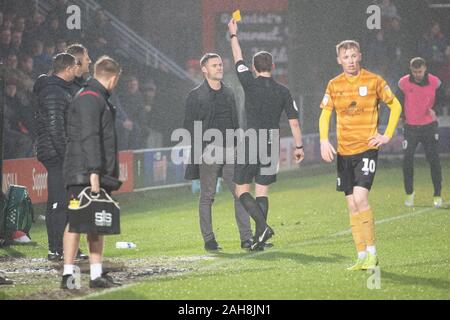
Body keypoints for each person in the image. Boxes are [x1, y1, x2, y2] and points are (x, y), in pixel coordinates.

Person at [319, 40, 402, 271]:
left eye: (354, 56)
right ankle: (361, 255)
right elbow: (325, 115)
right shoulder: (334, 84)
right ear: (339, 60)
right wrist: (324, 140)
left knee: (360, 198)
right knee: (352, 205)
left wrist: (386, 135)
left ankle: (373, 254)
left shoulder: (374, 80)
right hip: (344, 153)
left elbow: (395, 106)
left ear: (360, 56)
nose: (351, 61)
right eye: (346, 57)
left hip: (366, 148)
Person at [228, 19, 305, 251]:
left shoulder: (249, 83)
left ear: (254, 67)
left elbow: (237, 58)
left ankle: (262, 227)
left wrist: (234, 35)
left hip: (252, 139)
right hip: (272, 142)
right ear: (272, 67)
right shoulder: (283, 90)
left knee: (241, 189)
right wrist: (299, 147)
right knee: (262, 190)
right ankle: (260, 239)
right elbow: (294, 122)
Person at [61, 56, 122, 289]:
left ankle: (96, 275)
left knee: (97, 221)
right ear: (114, 78)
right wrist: (95, 171)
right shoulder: (90, 97)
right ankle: (69, 275)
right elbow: (90, 136)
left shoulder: (96, 97)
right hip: (83, 172)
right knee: (76, 221)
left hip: (90, 171)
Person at [183, 53, 253, 251]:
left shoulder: (230, 92)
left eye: (220, 64)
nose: (219, 68)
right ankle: (209, 240)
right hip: (209, 152)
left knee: (240, 193)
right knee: (207, 196)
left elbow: (236, 121)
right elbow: (188, 125)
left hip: (231, 150)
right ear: (204, 70)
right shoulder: (195, 95)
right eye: (214, 65)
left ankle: (246, 238)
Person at [33, 53, 77, 260]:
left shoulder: (57, 90)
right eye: (74, 67)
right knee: (59, 201)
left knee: (64, 201)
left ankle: (64, 245)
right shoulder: (53, 91)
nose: (76, 71)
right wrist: (66, 153)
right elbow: (55, 127)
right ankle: (57, 248)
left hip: (55, 151)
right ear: (67, 69)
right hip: (55, 153)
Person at [397, 57, 444, 208]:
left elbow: (444, 97)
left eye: (420, 71)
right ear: (411, 70)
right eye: (415, 71)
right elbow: (397, 100)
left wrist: (435, 109)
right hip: (410, 128)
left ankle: (437, 195)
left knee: (434, 161)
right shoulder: (403, 82)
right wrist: (401, 116)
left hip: (429, 127)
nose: (418, 74)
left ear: (425, 69)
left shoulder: (434, 82)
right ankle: (409, 194)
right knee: (407, 161)